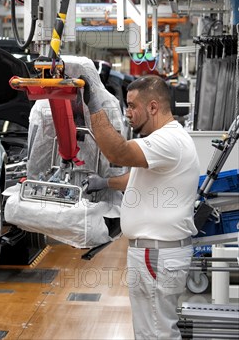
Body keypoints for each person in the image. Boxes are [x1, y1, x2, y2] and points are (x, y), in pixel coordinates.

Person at [81, 75, 199, 340]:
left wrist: (94, 107)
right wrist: (105, 183)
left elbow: (119, 153)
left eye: (133, 106)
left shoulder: (168, 140)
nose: (128, 113)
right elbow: (134, 178)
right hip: (154, 253)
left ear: (153, 107)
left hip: (155, 254)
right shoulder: (168, 140)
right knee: (151, 330)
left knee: (156, 333)